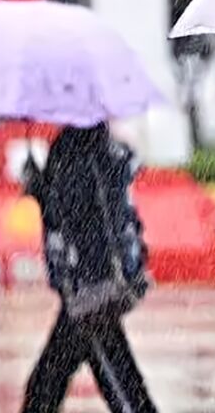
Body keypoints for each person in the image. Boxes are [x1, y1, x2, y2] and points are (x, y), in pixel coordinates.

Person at [20, 123, 159, 413]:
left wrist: (42, 189)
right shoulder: (99, 146)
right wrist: (42, 188)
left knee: (117, 392)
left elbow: (78, 218)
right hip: (93, 291)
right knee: (48, 385)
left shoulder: (77, 149)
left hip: (92, 293)